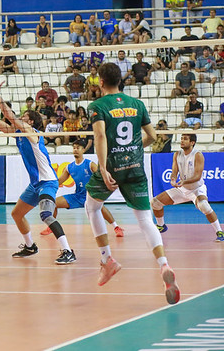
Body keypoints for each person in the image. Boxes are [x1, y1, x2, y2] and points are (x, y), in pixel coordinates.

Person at [84, 62, 179, 304]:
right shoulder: (137, 104)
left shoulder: (98, 105)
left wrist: (103, 168)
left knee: (92, 207)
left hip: (113, 166)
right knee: (145, 220)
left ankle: (107, 259)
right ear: (121, 80)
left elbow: (100, 136)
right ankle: (164, 265)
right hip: (136, 166)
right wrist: (135, 149)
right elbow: (154, 137)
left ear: (100, 82)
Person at [0, 83, 76, 265]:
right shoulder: (18, 133)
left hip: (48, 181)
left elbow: (10, 116)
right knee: (17, 214)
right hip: (35, 184)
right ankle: (30, 246)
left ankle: (68, 251)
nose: (20, 119)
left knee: (46, 215)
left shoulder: (32, 133)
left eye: (24, 117)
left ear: (31, 122)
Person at [39, 140, 124, 238]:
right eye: (74, 147)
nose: (75, 150)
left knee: (100, 207)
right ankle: (51, 227)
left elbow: (101, 176)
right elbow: (58, 182)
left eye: (78, 148)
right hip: (78, 196)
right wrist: (45, 188)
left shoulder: (89, 164)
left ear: (83, 150)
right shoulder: (69, 167)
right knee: (53, 203)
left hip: (91, 195)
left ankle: (116, 227)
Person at [152, 134, 223, 242]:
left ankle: (220, 232)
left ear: (192, 142)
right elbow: (174, 171)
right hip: (183, 189)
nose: (182, 141)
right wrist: (173, 179)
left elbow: (197, 176)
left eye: (185, 139)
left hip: (197, 189)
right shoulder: (177, 154)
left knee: (204, 205)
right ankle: (161, 226)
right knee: (155, 202)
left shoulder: (197, 155)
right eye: (181, 138)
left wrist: (184, 181)